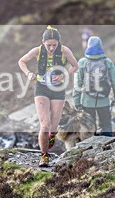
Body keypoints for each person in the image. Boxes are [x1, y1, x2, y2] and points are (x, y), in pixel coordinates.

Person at [18, 26, 79, 167]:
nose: (51, 48)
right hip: (41, 88)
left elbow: (75, 66)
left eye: (54, 45)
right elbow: (21, 61)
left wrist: (63, 75)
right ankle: (44, 156)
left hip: (58, 89)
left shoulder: (64, 51)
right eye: (48, 45)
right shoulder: (37, 51)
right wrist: (28, 73)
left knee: (54, 127)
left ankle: (52, 135)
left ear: (58, 43)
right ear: (43, 42)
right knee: (45, 124)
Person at [73, 36, 115, 136]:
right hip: (104, 100)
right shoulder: (107, 62)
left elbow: (77, 83)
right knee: (106, 125)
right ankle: (107, 142)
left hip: (87, 101)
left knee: (90, 127)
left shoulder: (83, 62)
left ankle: (92, 144)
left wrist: (76, 101)